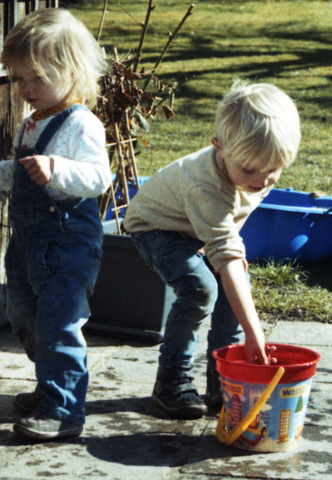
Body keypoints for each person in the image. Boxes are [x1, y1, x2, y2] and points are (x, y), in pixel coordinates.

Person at [0, 7, 110, 442]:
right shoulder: (32, 122)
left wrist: (57, 168)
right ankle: (50, 387)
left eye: (36, 78)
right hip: (28, 245)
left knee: (60, 323)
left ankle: (64, 408)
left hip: (66, 245)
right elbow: (20, 170)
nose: (25, 88)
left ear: (73, 70)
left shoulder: (80, 124)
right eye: (19, 78)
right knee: (25, 315)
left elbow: (100, 177)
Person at [123, 81, 300, 420]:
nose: (262, 180)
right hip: (155, 228)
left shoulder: (254, 171)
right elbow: (225, 245)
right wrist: (254, 331)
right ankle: (171, 381)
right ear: (218, 147)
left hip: (195, 231)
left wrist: (227, 254)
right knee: (200, 289)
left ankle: (225, 382)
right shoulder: (205, 183)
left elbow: (231, 223)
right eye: (249, 169)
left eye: (272, 171)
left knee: (236, 290)